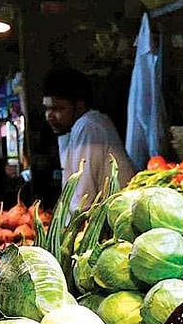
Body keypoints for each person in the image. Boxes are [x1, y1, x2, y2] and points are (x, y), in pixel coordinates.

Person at [43, 66, 135, 217]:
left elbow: (83, 201)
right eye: (47, 109)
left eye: (58, 109)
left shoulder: (88, 126)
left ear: (79, 106)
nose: (49, 116)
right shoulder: (80, 127)